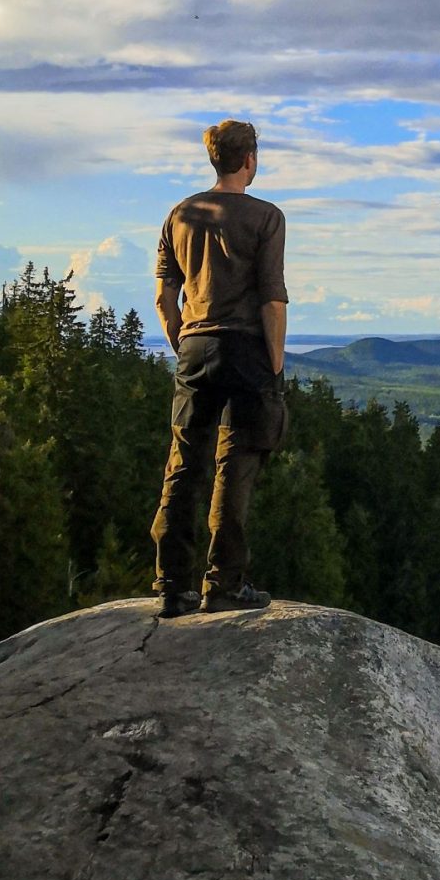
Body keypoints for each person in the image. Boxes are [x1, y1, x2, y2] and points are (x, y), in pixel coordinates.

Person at [149, 119, 289, 618]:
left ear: (215, 158)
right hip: (248, 351)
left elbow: (165, 293)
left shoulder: (180, 214)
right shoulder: (266, 217)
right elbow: (272, 297)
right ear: (249, 159)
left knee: (184, 464)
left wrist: (181, 341)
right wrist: (274, 363)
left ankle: (170, 587)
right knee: (236, 466)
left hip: (195, 347)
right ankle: (223, 585)